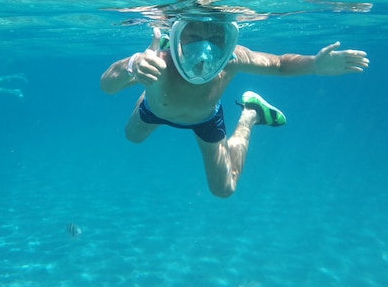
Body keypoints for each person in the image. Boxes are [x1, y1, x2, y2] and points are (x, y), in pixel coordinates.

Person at [100, 18, 369, 198]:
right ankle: (146, 88)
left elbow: (277, 64)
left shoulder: (232, 58)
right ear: (177, 37)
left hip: (205, 118)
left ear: (228, 41)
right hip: (155, 108)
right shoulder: (158, 59)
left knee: (224, 189)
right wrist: (133, 66)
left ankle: (251, 113)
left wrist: (313, 64)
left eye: (216, 38)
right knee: (131, 136)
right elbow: (107, 85)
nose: (204, 49)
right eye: (192, 35)